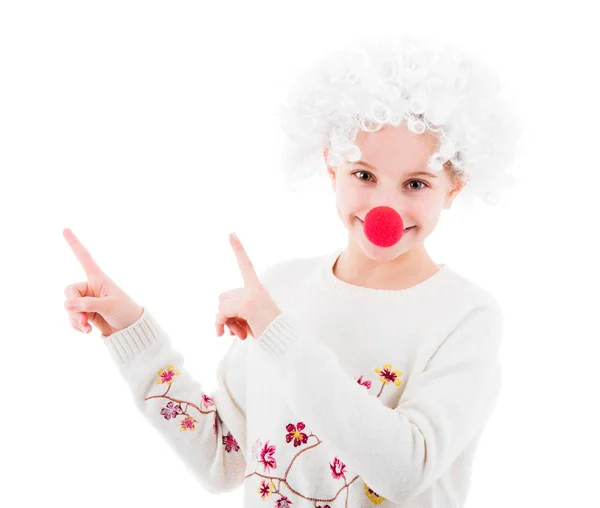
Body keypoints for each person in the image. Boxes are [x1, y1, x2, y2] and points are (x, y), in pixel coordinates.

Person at [63, 35, 520, 507]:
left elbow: (404, 471)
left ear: (453, 187)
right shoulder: (283, 290)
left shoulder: (466, 314)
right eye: (363, 175)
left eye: (416, 183)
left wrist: (278, 334)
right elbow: (222, 458)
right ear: (331, 165)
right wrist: (131, 330)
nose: (386, 207)